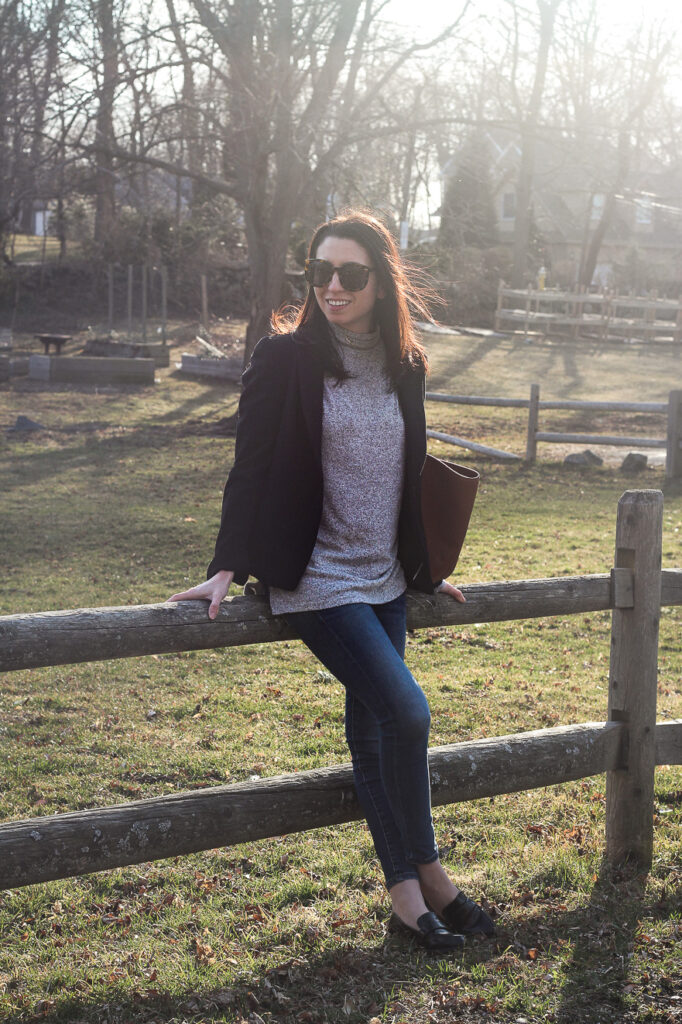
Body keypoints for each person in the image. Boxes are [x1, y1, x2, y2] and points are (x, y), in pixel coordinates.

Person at [168, 211, 494, 952]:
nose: (334, 286)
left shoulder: (403, 363)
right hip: (316, 580)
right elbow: (249, 466)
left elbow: (407, 474)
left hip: (383, 578)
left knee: (375, 736)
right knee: (406, 714)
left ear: (383, 281)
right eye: (320, 272)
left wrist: (426, 569)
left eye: (351, 273)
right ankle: (435, 874)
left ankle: (406, 902)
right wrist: (227, 567)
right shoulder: (285, 360)